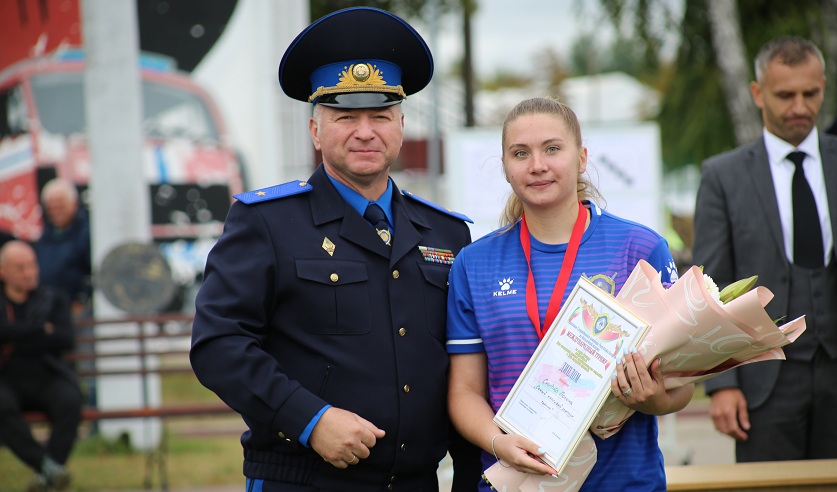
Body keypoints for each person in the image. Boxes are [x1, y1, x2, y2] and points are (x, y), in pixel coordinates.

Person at [190, 7, 481, 491]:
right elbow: (219, 344)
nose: (365, 131)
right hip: (303, 480)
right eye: (345, 116)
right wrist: (309, 419)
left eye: (380, 116)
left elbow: (465, 367)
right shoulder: (266, 222)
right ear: (315, 131)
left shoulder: (446, 234)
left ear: (401, 124)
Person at [446, 97, 693, 491]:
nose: (537, 165)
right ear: (505, 167)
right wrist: (498, 442)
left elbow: (681, 385)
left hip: (623, 482)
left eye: (552, 149)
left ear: (581, 158)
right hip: (517, 482)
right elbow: (464, 391)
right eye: (520, 153)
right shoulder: (474, 264)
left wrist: (653, 400)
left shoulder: (641, 249)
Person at [693, 36, 837, 462]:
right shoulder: (722, 176)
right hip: (763, 383)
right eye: (785, 95)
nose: (800, 106)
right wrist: (721, 384)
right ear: (757, 94)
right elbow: (710, 286)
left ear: (824, 87)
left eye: (810, 93)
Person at [0, 240, 83, 492]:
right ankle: (46, 466)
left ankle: (47, 475)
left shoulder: (52, 298)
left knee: (70, 400)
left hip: (46, 374)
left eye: (32, 266)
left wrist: (15, 334)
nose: (28, 273)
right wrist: (39, 330)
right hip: (6, 377)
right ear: (3, 271)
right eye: (20, 268)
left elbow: (65, 339)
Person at [34, 178, 92, 318]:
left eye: (60, 204)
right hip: (47, 307)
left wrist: (81, 299)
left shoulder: (87, 233)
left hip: (77, 310)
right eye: (51, 206)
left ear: (74, 203)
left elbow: (92, 272)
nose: (55, 210)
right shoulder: (44, 235)